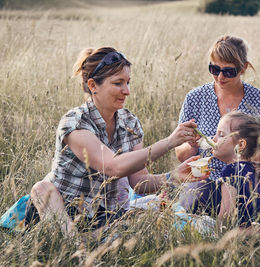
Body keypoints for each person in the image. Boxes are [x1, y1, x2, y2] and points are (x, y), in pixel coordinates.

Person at [28, 47, 207, 234]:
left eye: (128, 82)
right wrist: (169, 142)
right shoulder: (75, 122)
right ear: (93, 85)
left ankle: (87, 240)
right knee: (42, 188)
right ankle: (73, 241)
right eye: (118, 83)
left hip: (107, 215)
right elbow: (113, 167)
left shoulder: (130, 123)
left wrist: (175, 176)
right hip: (66, 211)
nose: (126, 91)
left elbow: (139, 182)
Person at [175, 35, 260, 213]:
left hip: (245, 179)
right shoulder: (195, 98)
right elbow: (182, 156)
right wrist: (191, 144)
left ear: (243, 68)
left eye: (228, 71)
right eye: (214, 69)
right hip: (206, 179)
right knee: (196, 199)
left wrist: (248, 152)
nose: (220, 76)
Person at [213, 111, 260, 228]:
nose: (214, 138)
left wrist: (215, 237)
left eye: (221, 134)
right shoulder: (255, 169)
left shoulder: (230, 170)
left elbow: (226, 215)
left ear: (241, 145)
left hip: (243, 237)